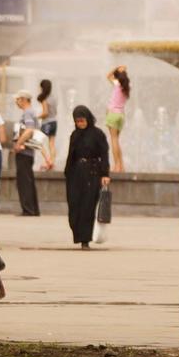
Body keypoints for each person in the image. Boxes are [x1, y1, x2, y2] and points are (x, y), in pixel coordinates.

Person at [65, 105, 110, 250]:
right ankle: (78, 235)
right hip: (76, 174)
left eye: (82, 121)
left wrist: (105, 174)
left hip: (92, 173)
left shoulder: (97, 134)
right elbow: (71, 156)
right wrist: (67, 173)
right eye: (77, 122)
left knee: (87, 205)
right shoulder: (75, 135)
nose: (80, 124)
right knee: (74, 205)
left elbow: (104, 154)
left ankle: (85, 239)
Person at [11, 90, 41, 217]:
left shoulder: (27, 113)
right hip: (29, 152)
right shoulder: (31, 112)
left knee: (24, 181)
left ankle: (28, 209)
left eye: (17, 100)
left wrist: (18, 143)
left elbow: (29, 130)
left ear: (23, 99)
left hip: (24, 151)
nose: (16, 102)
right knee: (28, 180)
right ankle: (33, 209)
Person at [105, 66, 130, 173]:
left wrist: (117, 68)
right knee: (117, 141)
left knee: (114, 140)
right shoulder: (127, 87)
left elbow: (108, 76)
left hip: (112, 114)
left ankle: (116, 166)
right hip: (121, 115)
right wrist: (123, 71)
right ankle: (122, 166)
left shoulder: (117, 84)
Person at [36, 79, 57, 170]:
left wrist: (37, 117)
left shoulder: (45, 99)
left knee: (38, 142)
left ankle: (48, 161)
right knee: (51, 144)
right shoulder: (53, 98)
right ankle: (52, 161)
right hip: (54, 122)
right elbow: (55, 112)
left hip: (47, 123)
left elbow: (45, 113)